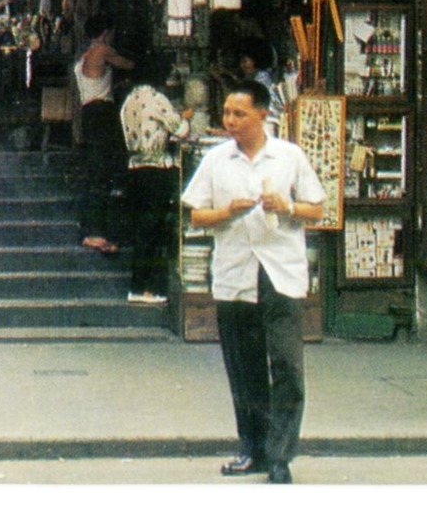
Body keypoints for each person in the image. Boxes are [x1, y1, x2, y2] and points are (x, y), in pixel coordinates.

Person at [181, 80, 326, 485]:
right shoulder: (216, 160)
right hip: (235, 272)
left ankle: (281, 455)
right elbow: (196, 216)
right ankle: (253, 448)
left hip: (280, 272)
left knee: (286, 365)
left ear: (263, 114)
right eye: (226, 113)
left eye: (239, 114)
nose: (230, 121)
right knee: (244, 369)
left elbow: (317, 209)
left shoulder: (289, 156)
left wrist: (289, 206)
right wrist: (227, 211)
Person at [119, 82, 188, 306]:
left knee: (143, 227)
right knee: (153, 228)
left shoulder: (129, 101)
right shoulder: (157, 99)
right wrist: (184, 116)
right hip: (156, 170)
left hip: (135, 168)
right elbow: (181, 129)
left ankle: (140, 285)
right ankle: (143, 288)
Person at [73, 17, 134, 254]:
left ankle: (93, 229)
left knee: (95, 170)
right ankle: (99, 232)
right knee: (106, 171)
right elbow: (128, 65)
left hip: (88, 112)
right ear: (106, 32)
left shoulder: (85, 56)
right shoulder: (103, 50)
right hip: (103, 114)